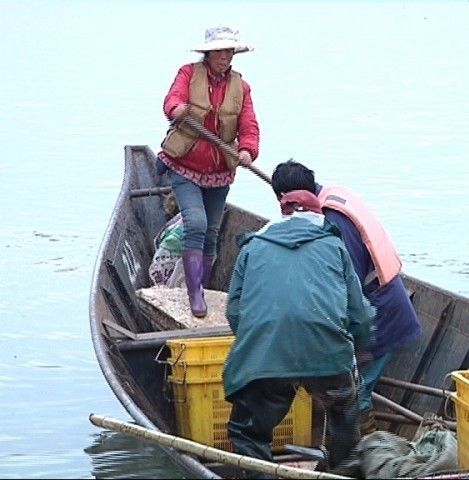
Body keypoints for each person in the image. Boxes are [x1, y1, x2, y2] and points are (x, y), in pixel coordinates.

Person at [222, 190, 376, 477]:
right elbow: (361, 315)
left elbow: (234, 311)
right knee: (344, 412)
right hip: (328, 355)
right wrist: (355, 351)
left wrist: (257, 345)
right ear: (317, 217)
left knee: (248, 433)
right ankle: (340, 471)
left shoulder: (251, 248)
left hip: (267, 356)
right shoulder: (335, 247)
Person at [271, 160, 422, 435]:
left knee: (356, 394)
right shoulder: (330, 193)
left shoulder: (334, 220)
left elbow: (345, 286)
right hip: (381, 301)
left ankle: (362, 457)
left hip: (381, 314)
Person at [156, 24, 260, 317]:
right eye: (220, 51)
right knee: (197, 224)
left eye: (229, 51)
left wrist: (247, 150)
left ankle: (201, 282)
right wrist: (177, 110)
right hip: (185, 166)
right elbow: (171, 101)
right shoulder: (188, 74)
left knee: (212, 233)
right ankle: (195, 294)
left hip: (219, 171)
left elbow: (249, 126)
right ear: (209, 54)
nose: (225, 57)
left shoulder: (241, 87)